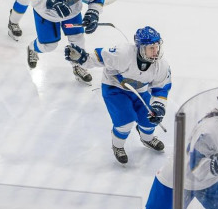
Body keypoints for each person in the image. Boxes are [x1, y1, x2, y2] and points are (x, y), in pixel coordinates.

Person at [64, 26, 170, 163]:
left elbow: (161, 88)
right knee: (125, 122)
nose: (155, 51)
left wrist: (159, 107)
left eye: (156, 47)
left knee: (149, 119)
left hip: (140, 91)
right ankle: (118, 146)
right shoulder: (123, 54)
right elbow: (99, 56)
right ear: (141, 48)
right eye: (151, 48)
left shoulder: (161, 66)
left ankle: (147, 139)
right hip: (114, 88)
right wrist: (83, 58)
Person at [26, 0, 104, 84]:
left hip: (72, 12)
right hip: (47, 14)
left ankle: (78, 66)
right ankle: (32, 47)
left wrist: (93, 12)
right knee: (49, 46)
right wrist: (51, 2)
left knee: (78, 38)